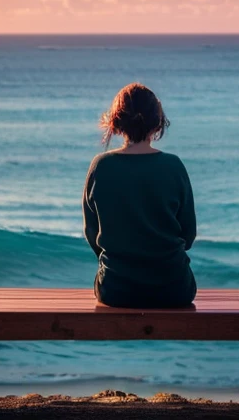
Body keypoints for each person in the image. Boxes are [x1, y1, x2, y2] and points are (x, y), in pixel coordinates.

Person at [82, 82, 197, 308]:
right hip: (174, 289)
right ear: (158, 123)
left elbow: (91, 232)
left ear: (116, 123)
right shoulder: (173, 166)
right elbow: (188, 235)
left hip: (115, 289)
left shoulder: (101, 166)